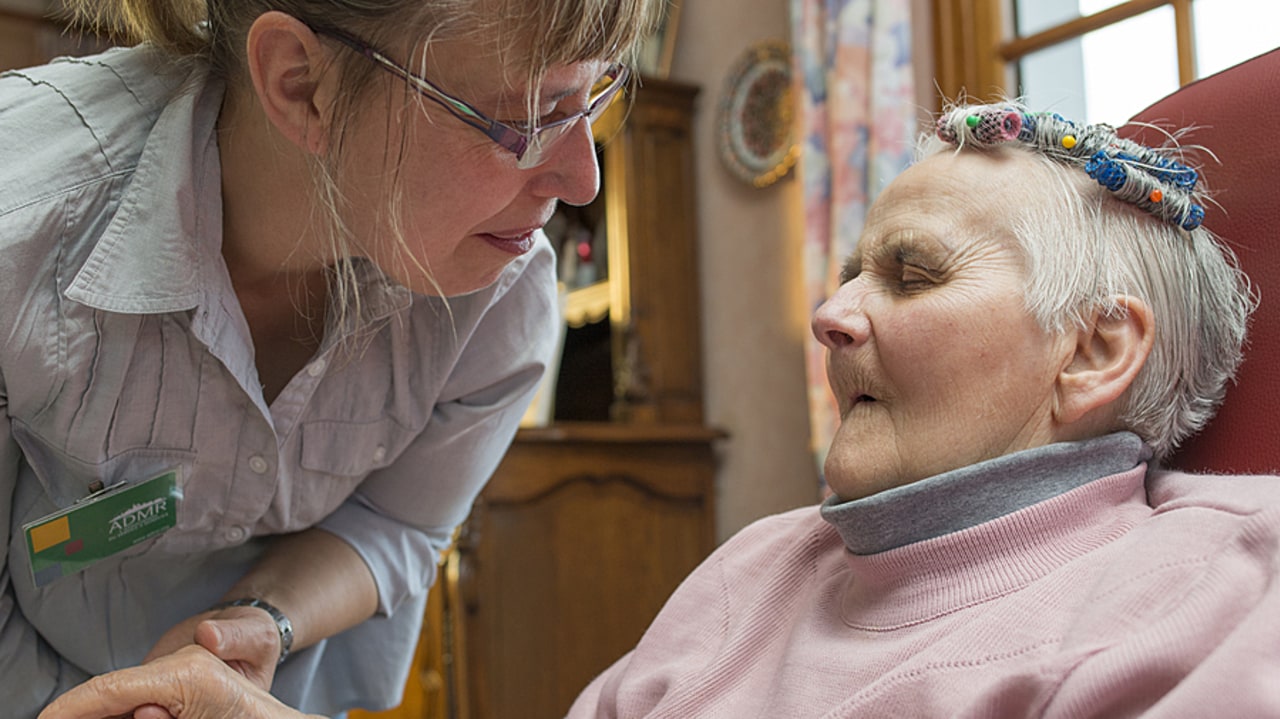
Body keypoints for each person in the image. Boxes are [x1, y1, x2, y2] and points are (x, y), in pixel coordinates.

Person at [0, 0, 659, 717]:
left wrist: (265, 619)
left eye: (594, 97)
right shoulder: (22, 225)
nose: (583, 180)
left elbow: (399, 522)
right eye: (529, 119)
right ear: (300, 85)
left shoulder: (499, 289)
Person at [556, 103, 1280, 716]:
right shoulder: (751, 565)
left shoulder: (1226, 582)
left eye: (911, 275)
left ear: (1093, 351)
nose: (830, 314)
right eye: (849, 277)